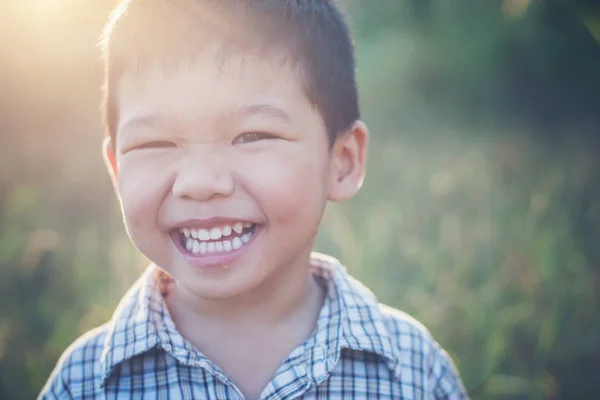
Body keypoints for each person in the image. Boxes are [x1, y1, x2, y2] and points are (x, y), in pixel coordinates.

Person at [40, 0, 467, 398]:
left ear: (342, 161)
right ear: (116, 170)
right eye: (155, 143)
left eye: (252, 135)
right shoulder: (84, 384)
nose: (200, 182)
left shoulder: (413, 373)